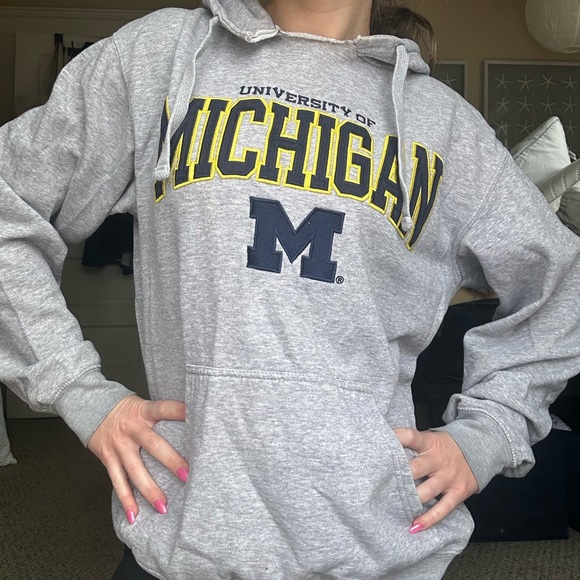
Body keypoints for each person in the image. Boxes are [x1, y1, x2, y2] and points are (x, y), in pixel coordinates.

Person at [1, 0, 580, 578]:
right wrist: (79, 390)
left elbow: (562, 283)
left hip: (374, 549)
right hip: (182, 542)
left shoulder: (446, 127)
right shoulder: (159, 57)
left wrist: (489, 431)